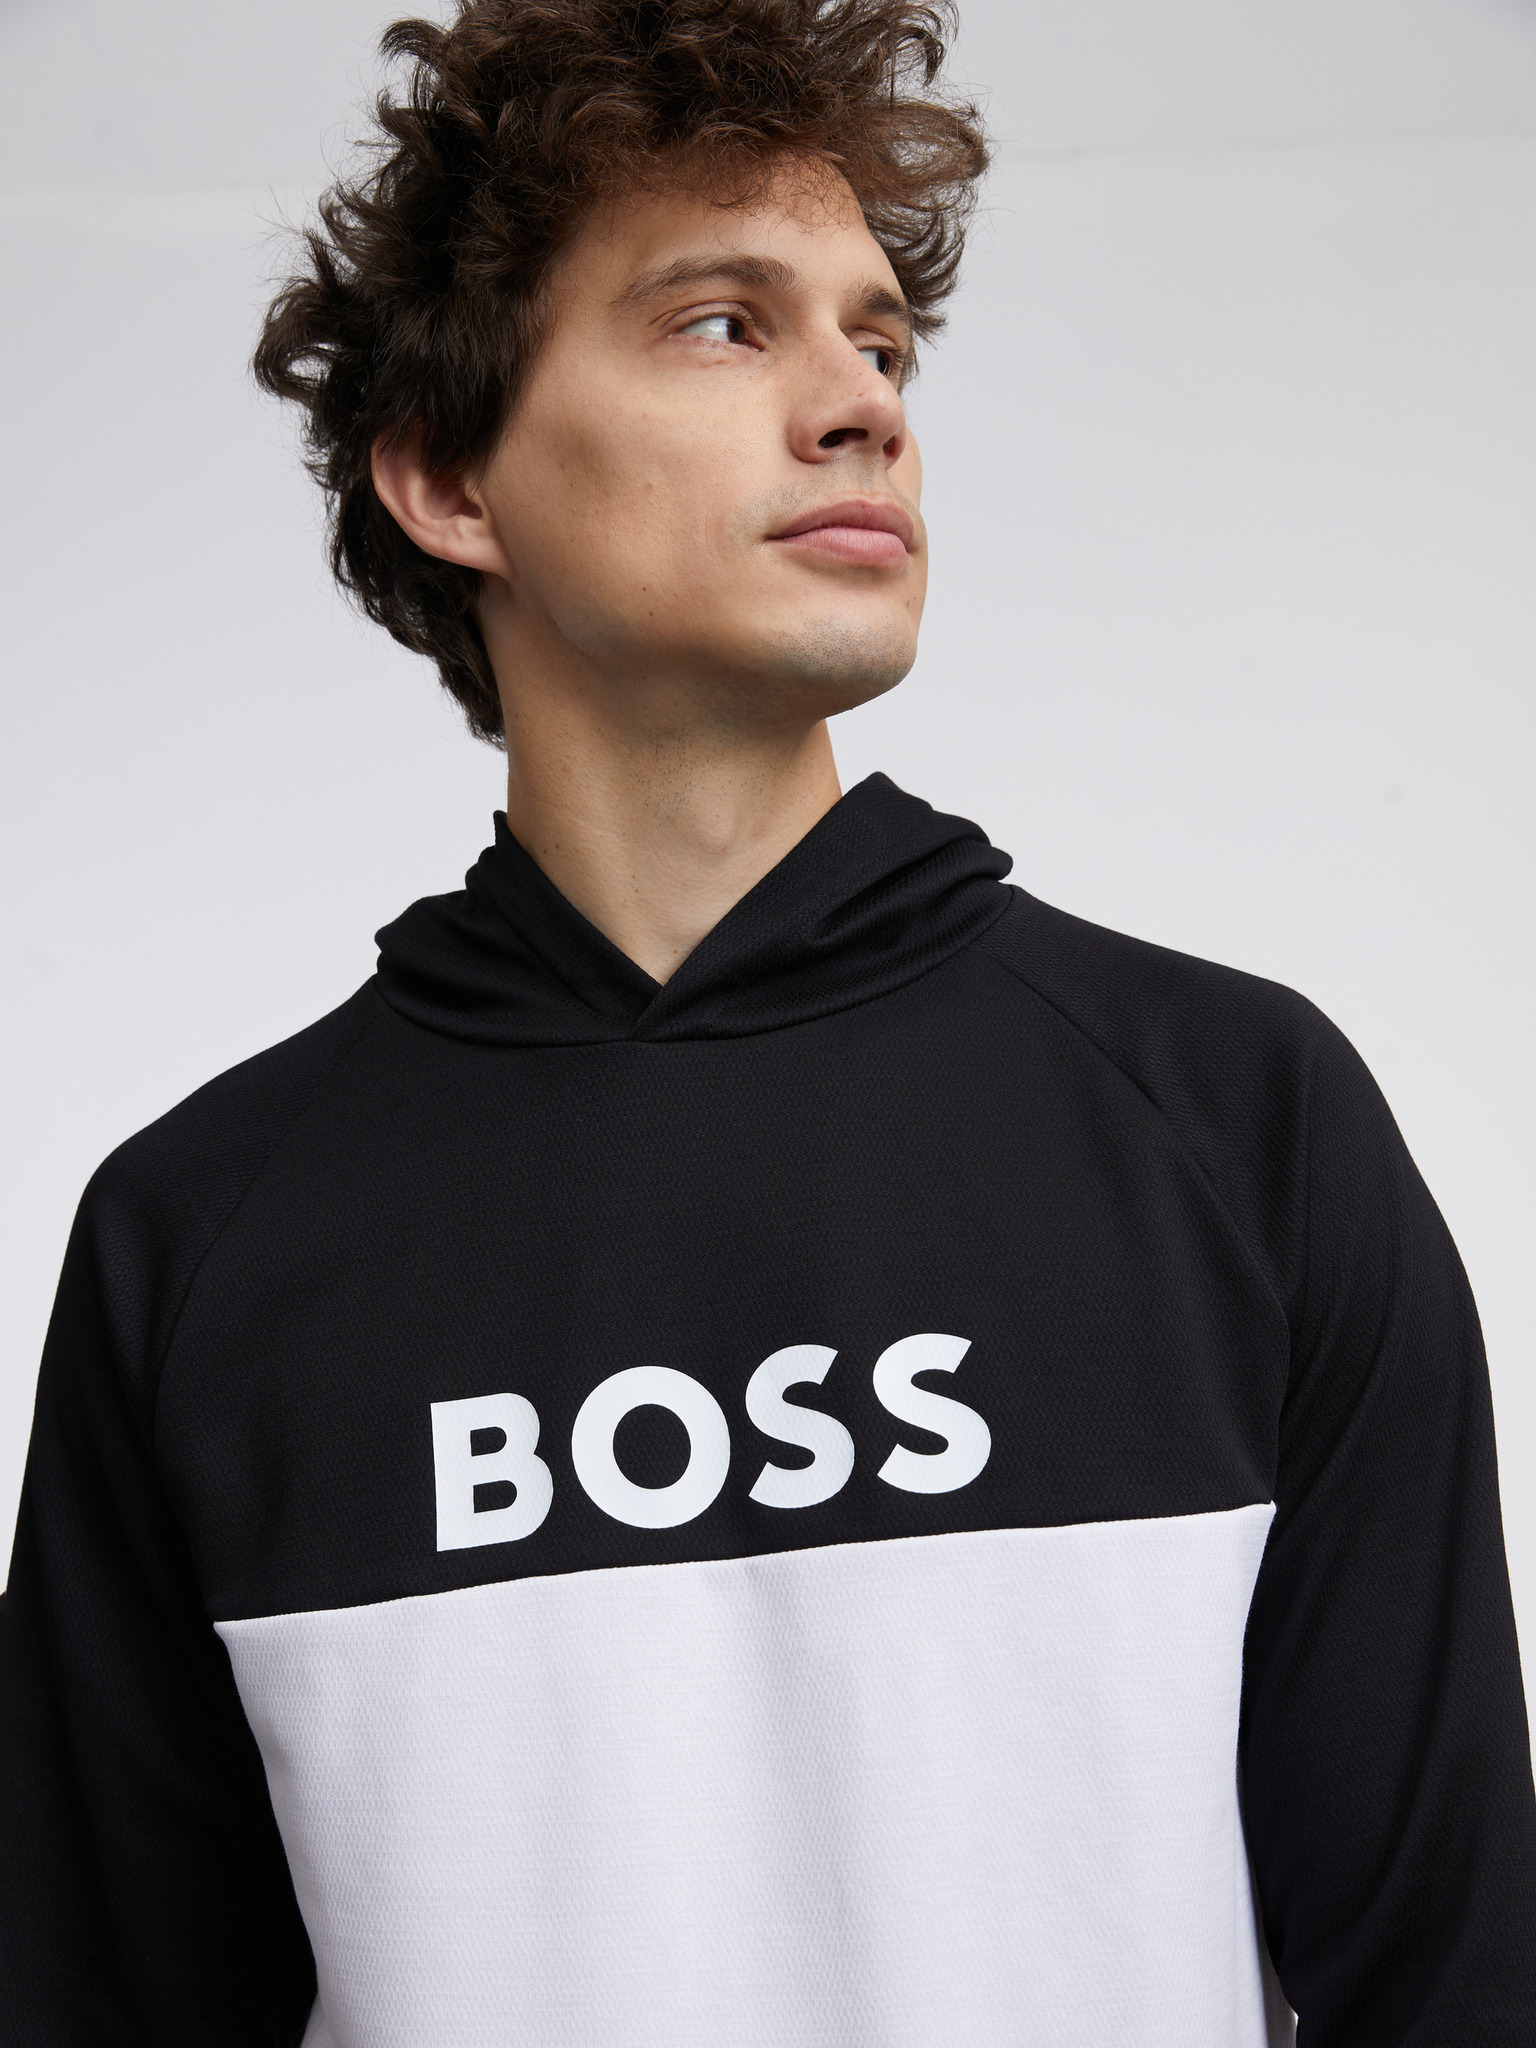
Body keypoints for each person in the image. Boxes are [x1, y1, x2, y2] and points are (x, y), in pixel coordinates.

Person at [3, 0, 1533, 2041]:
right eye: (724, 323)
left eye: (879, 342)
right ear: (449, 477)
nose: (859, 407)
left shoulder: (1243, 1124)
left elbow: (1453, 1982)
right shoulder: (196, 1244)